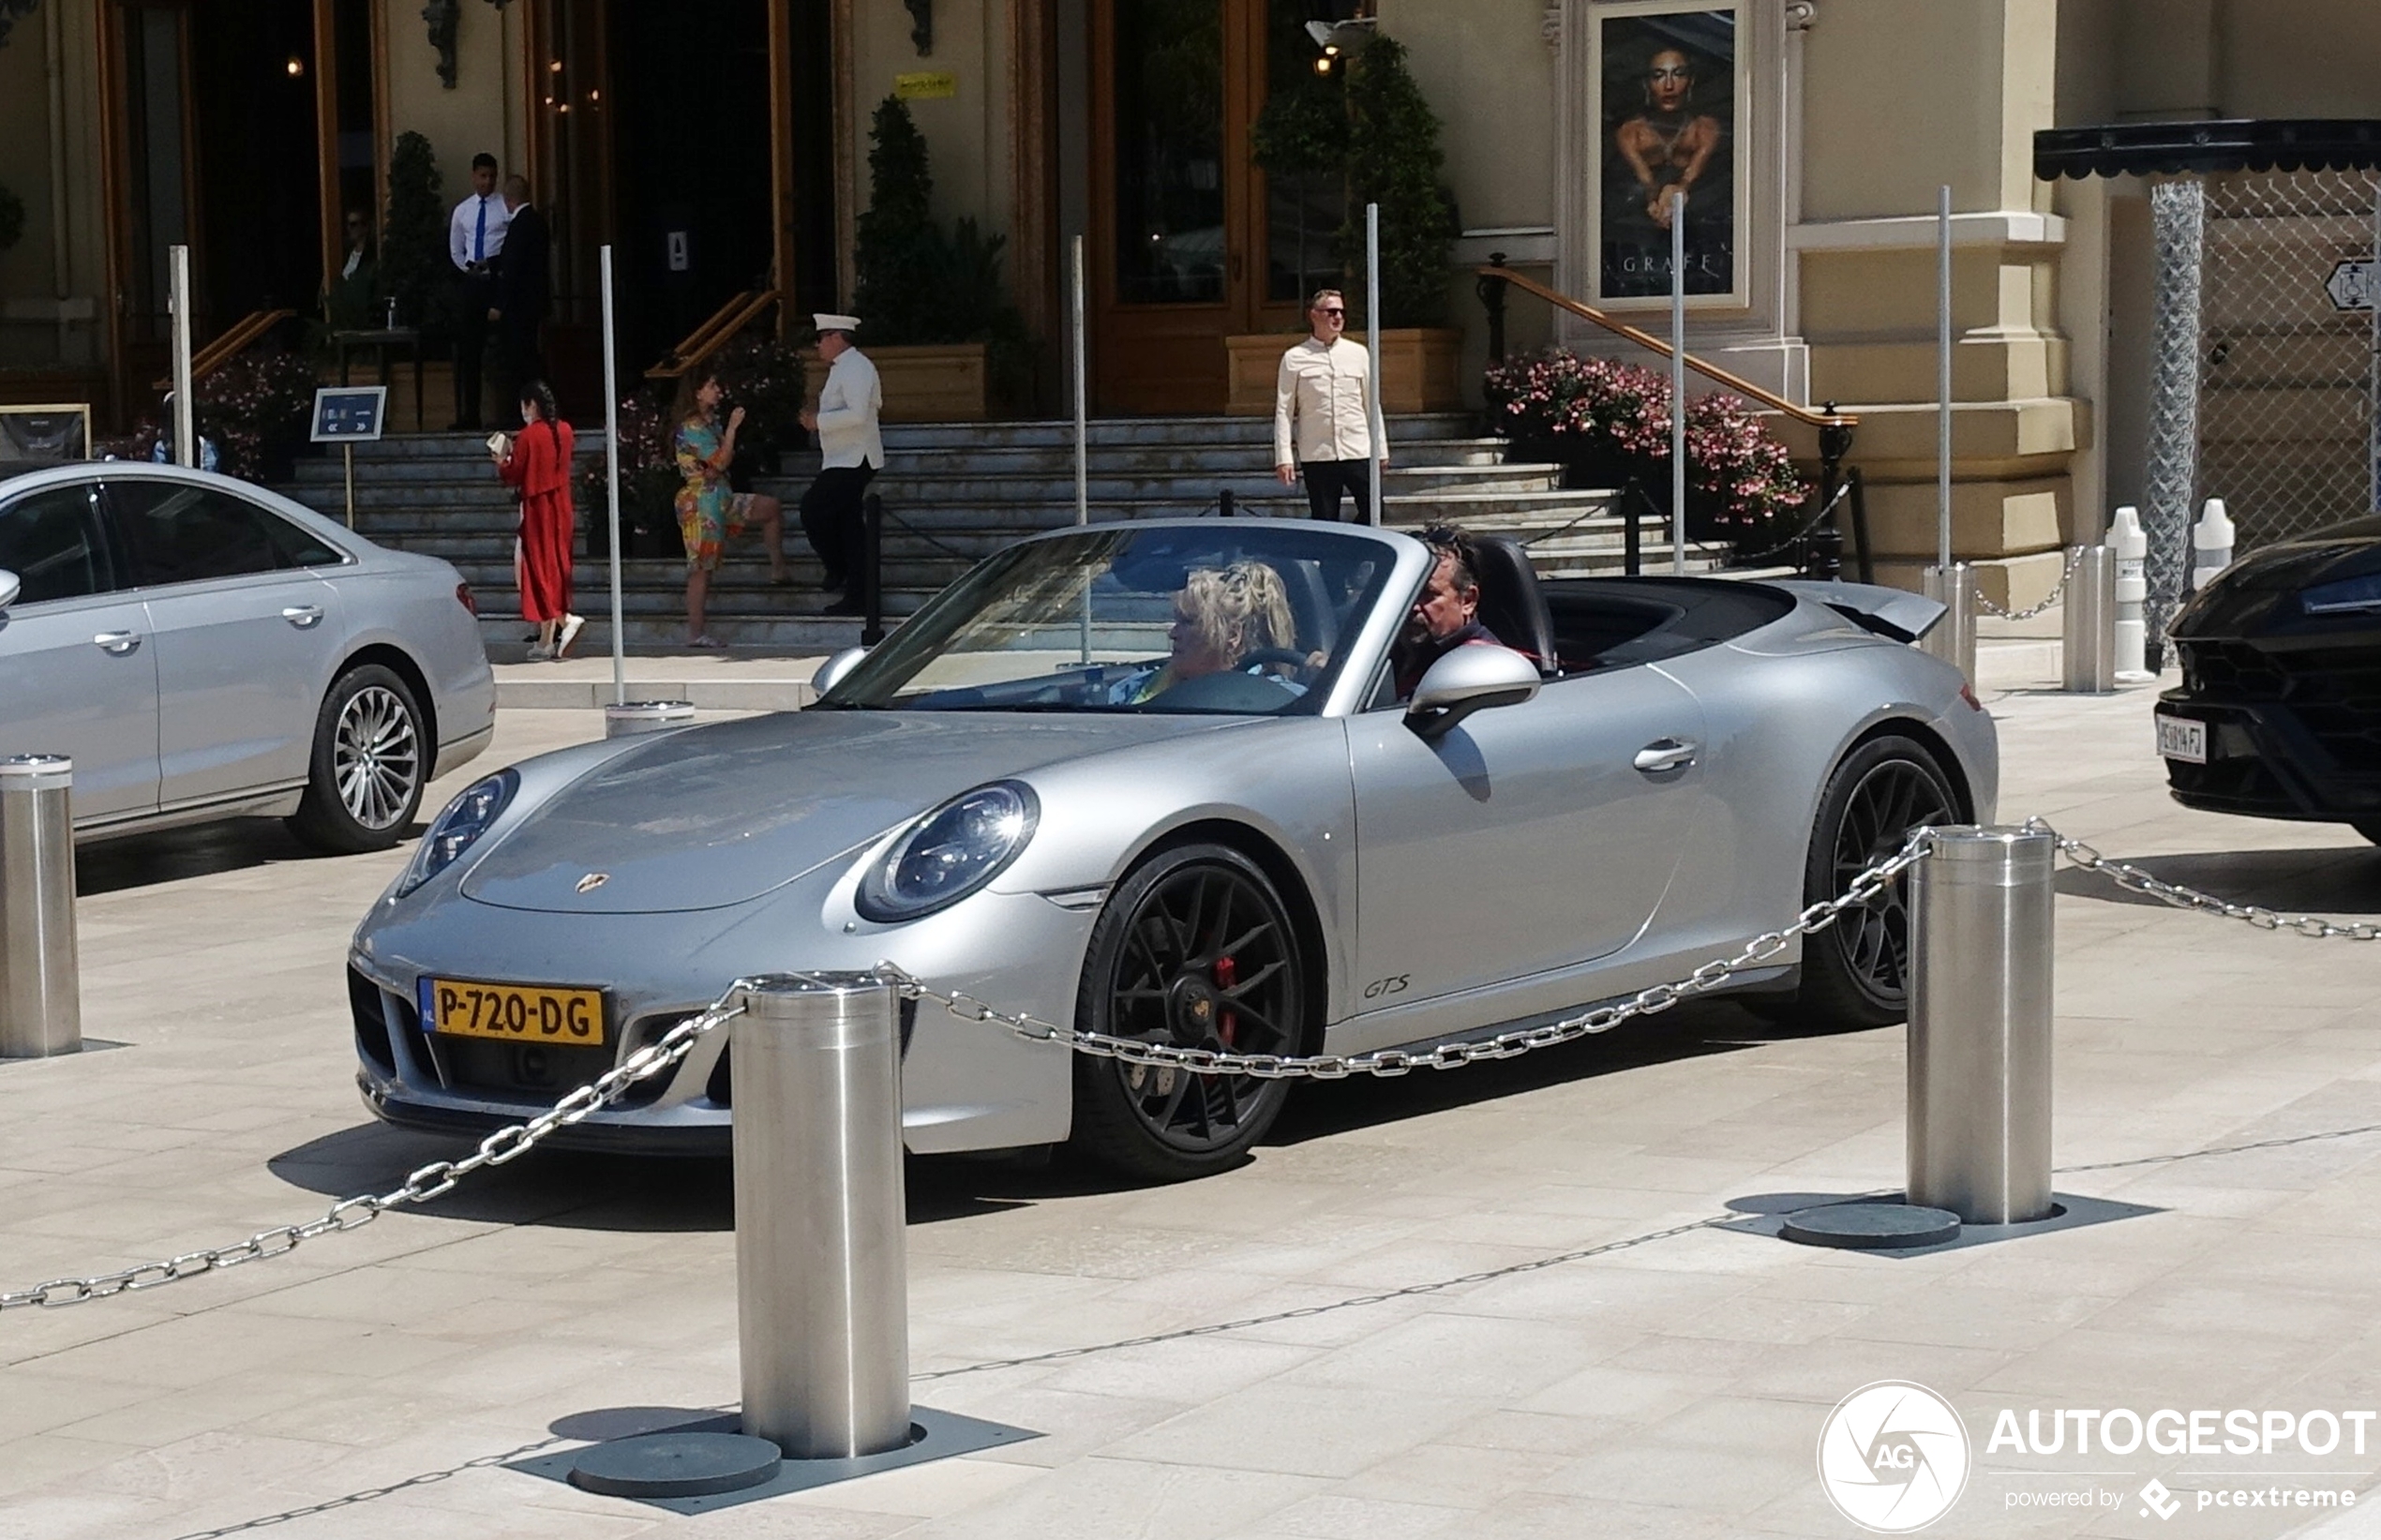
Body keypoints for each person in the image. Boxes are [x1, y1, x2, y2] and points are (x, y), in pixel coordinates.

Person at [672, 368, 789, 649]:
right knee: (701, 568)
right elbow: (720, 461)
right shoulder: (693, 426)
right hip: (701, 503)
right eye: (712, 385)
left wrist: (719, 456)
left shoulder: (709, 423)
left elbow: (718, 465)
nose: (718, 390)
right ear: (698, 392)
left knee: (770, 508)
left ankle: (778, 569)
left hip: (720, 496)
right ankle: (696, 632)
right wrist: (733, 430)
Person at [1273, 288, 1387, 522]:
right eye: (1331, 311)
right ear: (1314, 315)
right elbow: (1284, 411)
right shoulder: (1294, 357)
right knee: (1325, 520)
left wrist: (1381, 448)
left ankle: (1354, 551)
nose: (1338, 317)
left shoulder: (1358, 353)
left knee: (1375, 510)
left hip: (1357, 448)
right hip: (1318, 453)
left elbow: (1371, 404)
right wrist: (1284, 457)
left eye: (1342, 312)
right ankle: (1332, 558)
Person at [1115, 561, 1301, 705]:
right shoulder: (1136, 688)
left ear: (1232, 635)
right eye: (1177, 620)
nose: (1172, 634)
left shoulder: (1285, 701)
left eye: (1188, 622)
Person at [798, 313, 884, 615]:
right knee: (849, 527)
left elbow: (858, 414)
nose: (818, 344)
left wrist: (818, 421)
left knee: (812, 509)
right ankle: (859, 594)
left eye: (822, 338)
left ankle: (839, 570)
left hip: (854, 459)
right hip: (840, 458)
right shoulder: (843, 369)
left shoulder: (857, 367)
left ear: (837, 338)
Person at [494, 379, 582, 661]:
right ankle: (545, 641)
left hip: (538, 508)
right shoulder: (565, 431)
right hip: (561, 507)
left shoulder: (529, 436)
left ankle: (565, 620)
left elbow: (513, 473)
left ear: (530, 405)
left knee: (535, 570)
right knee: (556, 568)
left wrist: (501, 459)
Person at [1613, 49, 1723, 234]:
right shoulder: (1632, 133)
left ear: (1691, 82)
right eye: (1659, 76)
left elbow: (1690, 176)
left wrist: (1678, 191)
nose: (1669, 85)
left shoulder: (1705, 129)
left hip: (1698, 216)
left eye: (1678, 75)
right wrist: (1654, 201)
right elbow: (1646, 180)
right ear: (1647, 84)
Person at [1390, 524, 1506, 699]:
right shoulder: (1398, 650)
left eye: (1428, 594)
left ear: (1467, 600)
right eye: (1407, 592)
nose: (1413, 605)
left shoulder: (1481, 670)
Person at [446, 152, 510, 431]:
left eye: (492, 176)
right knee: (469, 351)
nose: (488, 182)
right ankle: (470, 414)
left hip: (497, 281)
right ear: (474, 176)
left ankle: (507, 411)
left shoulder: (504, 207)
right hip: (473, 282)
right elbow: (455, 246)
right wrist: (466, 269)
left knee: (503, 348)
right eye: (483, 176)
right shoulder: (463, 211)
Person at [491, 175, 549, 410]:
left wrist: (498, 304)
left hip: (518, 304)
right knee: (530, 352)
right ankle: (541, 403)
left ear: (508, 200)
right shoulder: (538, 222)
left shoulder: (518, 225)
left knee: (521, 358)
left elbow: (512, 267)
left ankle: (530, 405)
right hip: (535, 300)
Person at [324, 209, 378, 332]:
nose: (350, 228)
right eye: (348, 224)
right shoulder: (344, 254)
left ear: (365, 226)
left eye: (353, 224)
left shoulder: (372, 255)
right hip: (344, 317)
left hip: (361, 318)